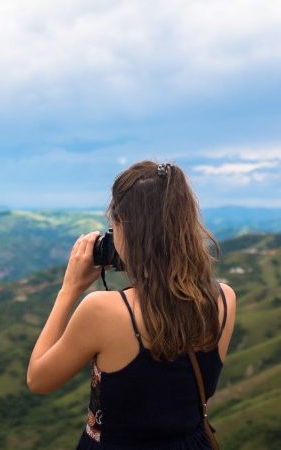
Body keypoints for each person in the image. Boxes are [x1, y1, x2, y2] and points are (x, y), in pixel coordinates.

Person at [27, 160, 237, 449]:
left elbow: (39, 379)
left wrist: (69, 289)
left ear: (127, 230)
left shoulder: (102, 310)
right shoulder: (224, 298)